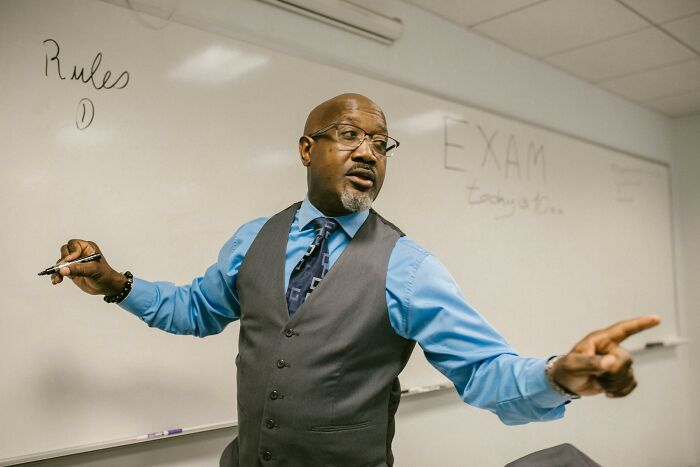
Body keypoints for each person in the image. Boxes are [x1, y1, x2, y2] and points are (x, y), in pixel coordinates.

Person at [49, 93, 659, 467]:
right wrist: (115, 284)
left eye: (380, 143)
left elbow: (482, 371)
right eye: (349, 136)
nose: (368, 152)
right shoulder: (252, 239)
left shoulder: (409, 266)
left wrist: (555, 376)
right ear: (306, 149)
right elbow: (195, 309)